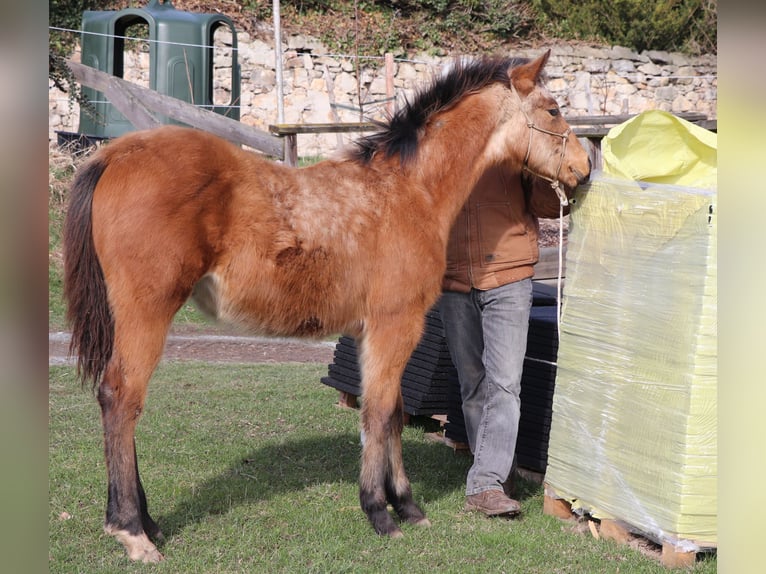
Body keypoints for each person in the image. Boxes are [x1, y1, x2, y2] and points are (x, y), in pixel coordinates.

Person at [440, 162, 569, 517]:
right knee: (472, 386)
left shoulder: (517, 138)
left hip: (509, 277)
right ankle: (499, 476)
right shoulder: (446, 139)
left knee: (505, 384)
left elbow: (549, 206)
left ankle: (485, 484)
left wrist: (552, 175)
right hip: (453, 278)